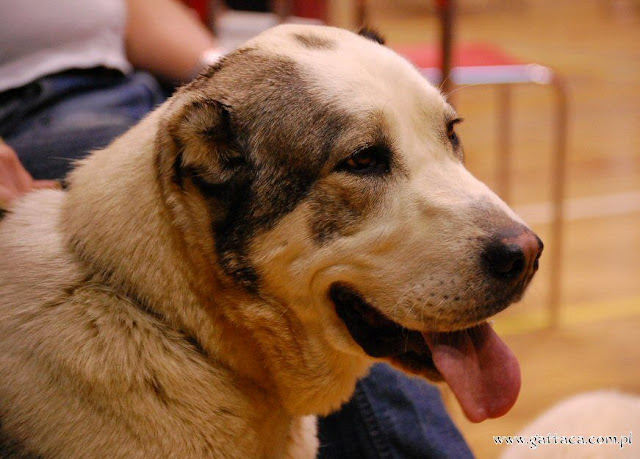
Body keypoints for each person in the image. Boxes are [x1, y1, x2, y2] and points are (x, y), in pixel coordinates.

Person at [0, 1, 473, 457]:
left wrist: (244, 79)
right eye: (365, 160)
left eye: (450, 133)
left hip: (139, 88)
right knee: (314, 320)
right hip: (25, 119)